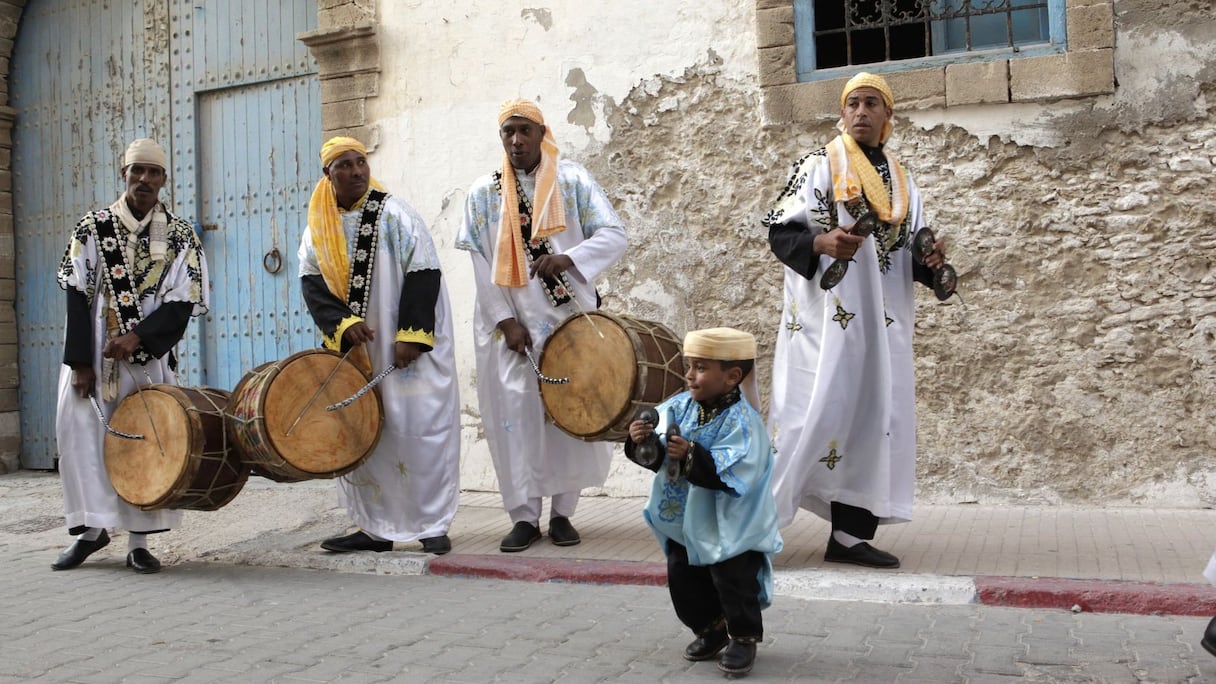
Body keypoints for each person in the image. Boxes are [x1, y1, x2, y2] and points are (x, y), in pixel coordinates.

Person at [762, 72, 948, 569]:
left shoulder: (903, 181)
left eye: (872, 104)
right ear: (842, 114)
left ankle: (848, 537)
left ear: (889, 117)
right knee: (810, 415)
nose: (861, 112)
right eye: (853, 104)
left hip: (884, 326)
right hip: (827, 324)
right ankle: (755, 526)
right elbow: (779, 232)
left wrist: (930, 265)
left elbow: (905, 251)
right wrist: (821, 243)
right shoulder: (816, 165)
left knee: (873, 420)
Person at [456, 98, 627, 552]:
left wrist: (570, 257)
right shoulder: (482, 194)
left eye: (524, 131)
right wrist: (505, 320)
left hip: (568, 322)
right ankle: (523, 517)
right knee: (516, 419)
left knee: (569, 416)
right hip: (511, 330)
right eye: (508, 132)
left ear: (541, 134)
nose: (516, 140)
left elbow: (614, 234)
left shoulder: (572, 181)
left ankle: (564, 514)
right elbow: (480, 261)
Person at [53, 138, 210, 574]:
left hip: (148, 361)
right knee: (84, 438)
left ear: (163, 179)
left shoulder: (181, 236)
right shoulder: (92, 227)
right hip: (94, 357)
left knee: (145, 443)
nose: (144, 179)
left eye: (153, 172)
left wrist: (137, 337)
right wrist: (80, 363)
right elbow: (74, 291)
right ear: (123, 174)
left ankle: (139, 543)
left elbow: (184, 302)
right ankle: (92, 531)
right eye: (136, 170)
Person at [299, 136, 460, 556]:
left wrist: (410, 336)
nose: (356, 171)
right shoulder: (319, 225)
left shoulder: (395, 214)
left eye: (360, 162)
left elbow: (425, 272)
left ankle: (432, 525)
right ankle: (373, 528)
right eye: (345, 166)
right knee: (366, 434)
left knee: (419, 431)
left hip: (407, 353)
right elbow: (312, 285)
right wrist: (344, 324)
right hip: (358, 356)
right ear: (328, 175)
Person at [625, 328, 782, 676]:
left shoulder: (744, 421)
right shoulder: (679, 406)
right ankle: (710, 629)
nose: (690, 375)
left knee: (733, 578)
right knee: (683, 576)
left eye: (700, 367)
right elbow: (656, 445)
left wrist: (692, 453)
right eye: (689, 366)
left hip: (732, 521)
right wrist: (641, 440)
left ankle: (742, 637)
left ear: (732, 376)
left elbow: (739, 467)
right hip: (686, 518)